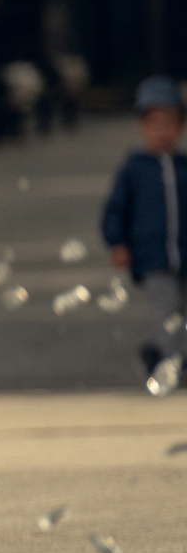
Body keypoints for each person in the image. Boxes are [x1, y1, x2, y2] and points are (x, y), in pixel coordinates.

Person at [103, 75, 187, 387]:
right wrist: (117, 242)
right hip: (152, 257)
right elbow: (115, 209)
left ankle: (156, 352)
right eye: (155, 124)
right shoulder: (134, 168)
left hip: (184, 252)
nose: (162, 132)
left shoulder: (183, 167)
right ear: (143, 126)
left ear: (180, 126)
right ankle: (169, 365)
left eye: (170, 124)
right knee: (166, 309)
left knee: (178, 310)